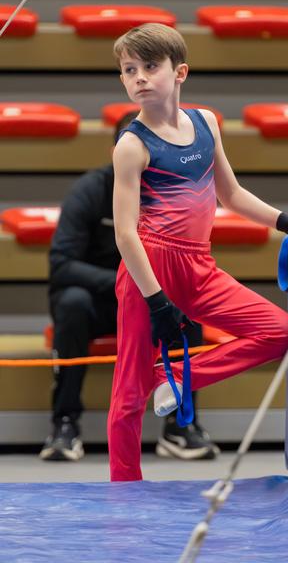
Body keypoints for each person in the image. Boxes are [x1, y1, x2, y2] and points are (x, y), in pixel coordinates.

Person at [108, 23, 288, 482]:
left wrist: (287, 221)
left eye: (150, 67)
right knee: (128, 393)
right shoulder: (132, 145)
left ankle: (172, 377)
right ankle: (125, 490)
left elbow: (230, 195)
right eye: (129, 70)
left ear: (180, 72)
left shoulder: (206, 124)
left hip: (198, 262)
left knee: (279, 330)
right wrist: (156, 300)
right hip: (148, 267)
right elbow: (124, 234)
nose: (138, 78)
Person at [39, 111, 219, 462]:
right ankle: (65, 425)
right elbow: (62, 265)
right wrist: (126, 284)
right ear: (118, 150)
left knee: (188, 310)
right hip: (101, 301)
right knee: (71, 304)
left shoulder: (176, 193)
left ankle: (181, 426)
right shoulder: (91, 190)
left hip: (152, 300)